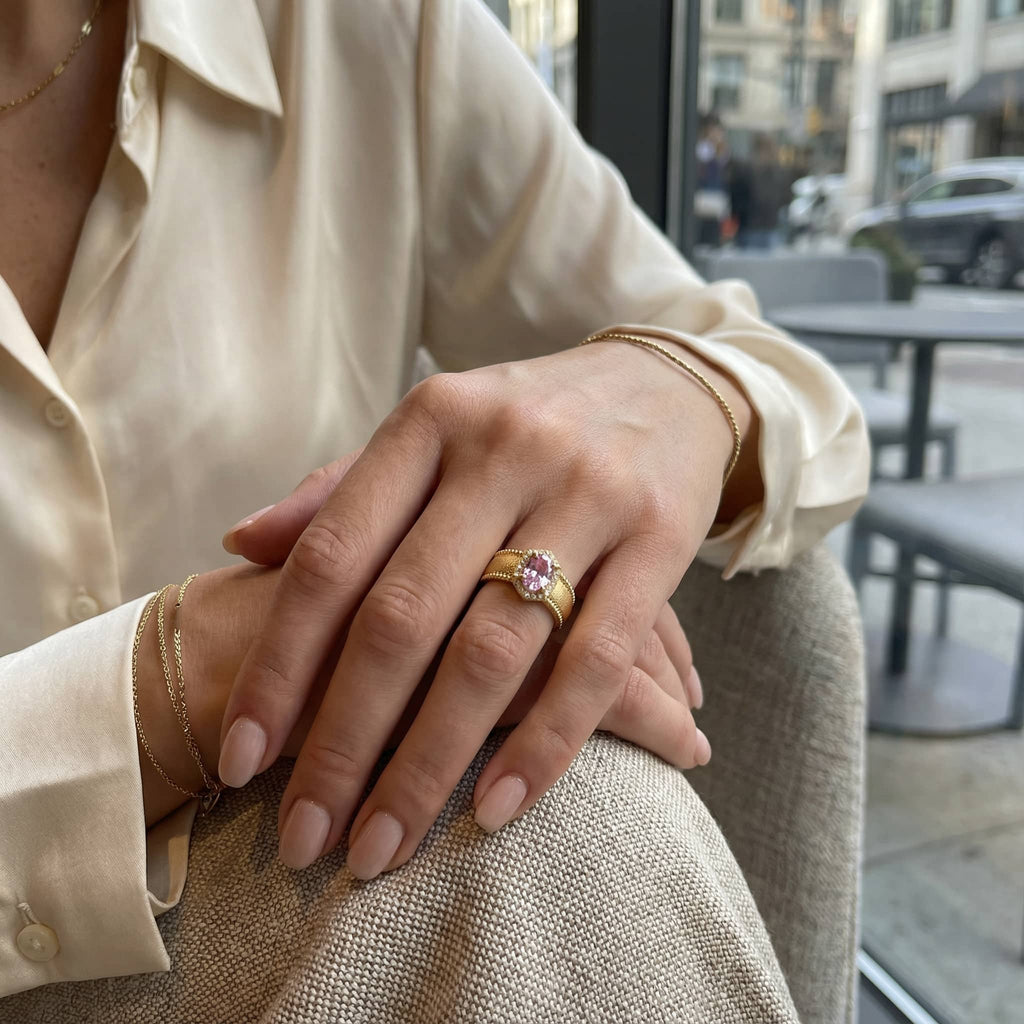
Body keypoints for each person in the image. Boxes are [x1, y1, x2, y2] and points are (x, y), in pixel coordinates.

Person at [0, 0, 869, 1016]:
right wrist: (174, 682)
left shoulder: (363, 30)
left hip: (305, 903)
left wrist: (674, 392)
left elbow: (793, 391)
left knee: (545, 810)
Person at [729, 133, 789, 250]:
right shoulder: (745, 170)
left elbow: (783, 196)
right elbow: (737, 198)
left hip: (766, 227)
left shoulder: (775, 171)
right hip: (751, 227)